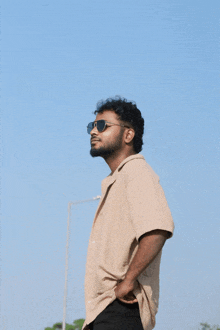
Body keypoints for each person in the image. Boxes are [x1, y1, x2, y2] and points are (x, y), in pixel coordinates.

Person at [82, 97, 174, 330]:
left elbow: (157, 229)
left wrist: (128, 281)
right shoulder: (118, 179)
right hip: (104, 309)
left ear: (128, 135)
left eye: (103, 126)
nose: (94, 131)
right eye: (92, 126)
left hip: (122, 307)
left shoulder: (137, 172)